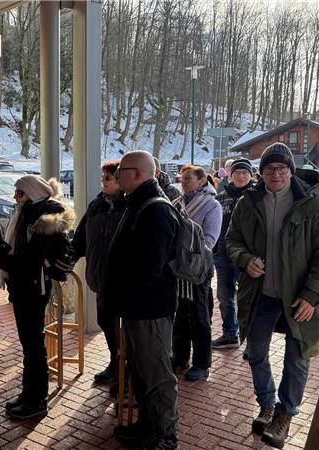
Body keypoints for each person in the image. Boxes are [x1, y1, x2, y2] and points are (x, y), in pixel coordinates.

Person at [226, 143, 319, 448]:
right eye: (269, 169)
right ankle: (266, 402)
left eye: (281, 169)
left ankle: (285, 413)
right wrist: (244, 258)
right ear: (260, 173)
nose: (275, 174)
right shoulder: (248, 203)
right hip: (261, 294)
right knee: (256, 352)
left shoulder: (314, 204)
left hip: (300, 297)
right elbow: (232, 239)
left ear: (290, 171)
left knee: (297, 357)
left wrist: (313, 294)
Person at [103, 151, 180, 450]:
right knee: (141, 370)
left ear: (138, 174)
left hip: (149, 309)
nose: (117, 174)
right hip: (137, 308)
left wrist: (126, 297)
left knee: (157, 373)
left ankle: (166, 435)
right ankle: (149, 425)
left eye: (122, 169)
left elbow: (150, 267)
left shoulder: (154, 210)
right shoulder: (136, 204)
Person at [0, 175, 75, 420]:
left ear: (33, 193)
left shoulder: (43, 220)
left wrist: (2, 257)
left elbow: (31, 262)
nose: (15, 197)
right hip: (24, 286)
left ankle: (36, 400)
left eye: (20, 193)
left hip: (33, 289)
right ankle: (29, 394)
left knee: (33, 345)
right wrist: (2, 250)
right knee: (30, 345)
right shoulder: (28, 214)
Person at [71, 160, 125, 385]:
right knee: (106, 321)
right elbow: (80, 239)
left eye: (108, 178)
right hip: (100, 278)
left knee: (128, 329)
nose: (103, 182)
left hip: (124, 281)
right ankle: (115, 362)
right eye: (103, 178)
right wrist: (67, 260)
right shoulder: (96, 205)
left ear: (121, 180)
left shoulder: (131, 207)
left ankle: (126, 371)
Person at [171, 165, 222, 382]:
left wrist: (183, 249)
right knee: (179, 315)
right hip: (177, 271)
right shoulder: (177, 203)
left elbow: (209, 240)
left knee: (200, 317)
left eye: (188, 178)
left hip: (198, 271)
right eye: (182, 178)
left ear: (202, 181)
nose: (183, 182)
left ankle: (202, 363)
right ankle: (181, 357)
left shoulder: (212, 205)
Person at [211, 159, 255, 349]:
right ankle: (230, 334)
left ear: (251, 176)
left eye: (245, 173)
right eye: (237, 173)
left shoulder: (257, 197)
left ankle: (253, 343)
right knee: (224, 296)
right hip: (223, 255)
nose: (241, 176)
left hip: (248, 257)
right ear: (230, 175)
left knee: (249, 299)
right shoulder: (221, 198)